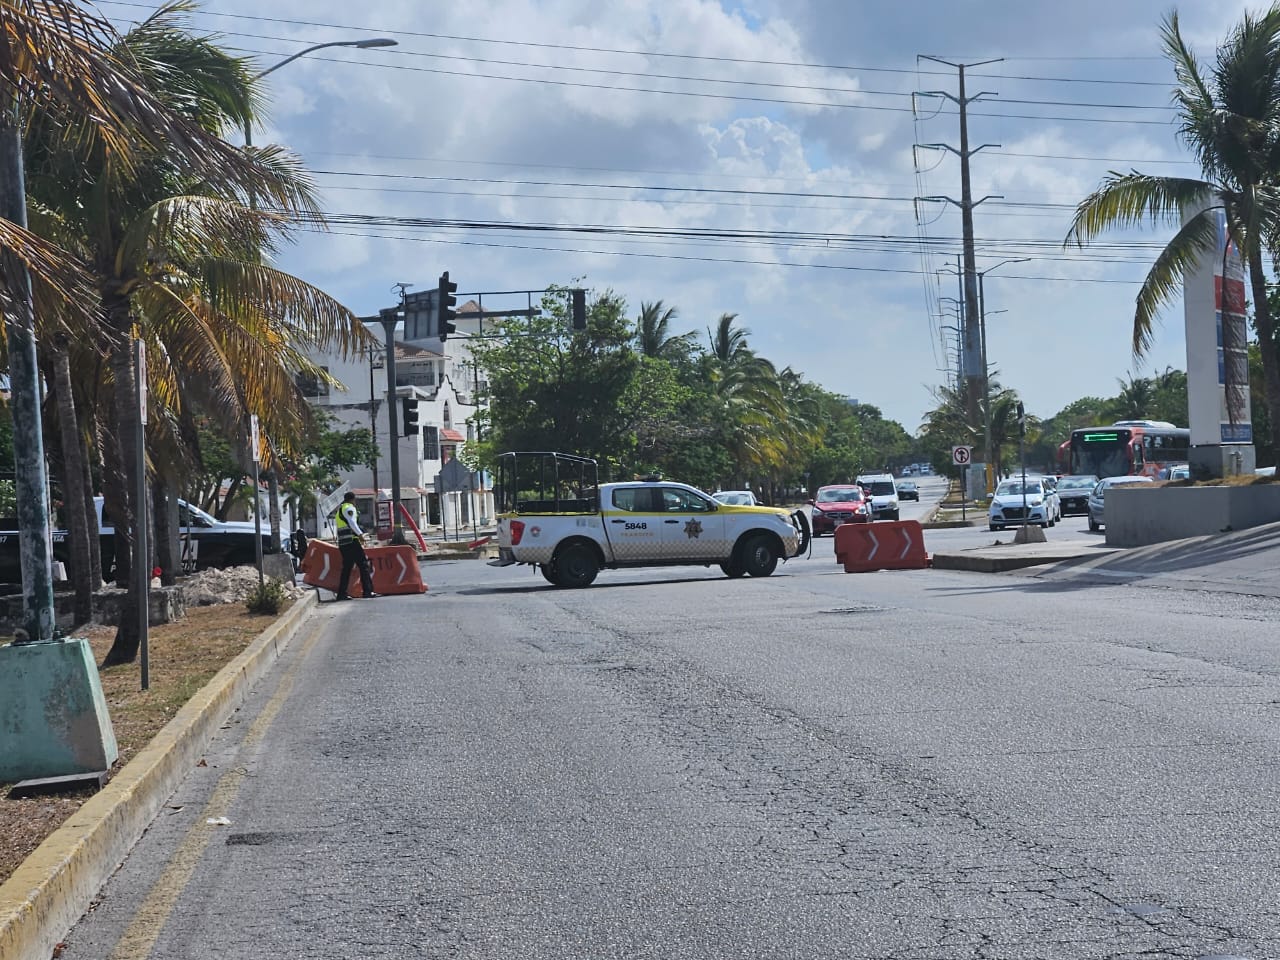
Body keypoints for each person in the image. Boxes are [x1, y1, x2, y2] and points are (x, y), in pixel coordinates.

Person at [334, 492, 379, 600]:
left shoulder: (340, 510)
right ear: (353, 500)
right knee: (363, 565)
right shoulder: (350, 508)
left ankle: (342, 593)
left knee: (347, 568)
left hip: (343, 543)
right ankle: (368, 591)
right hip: (352, 542)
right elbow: (352, 523)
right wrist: (360, 535)